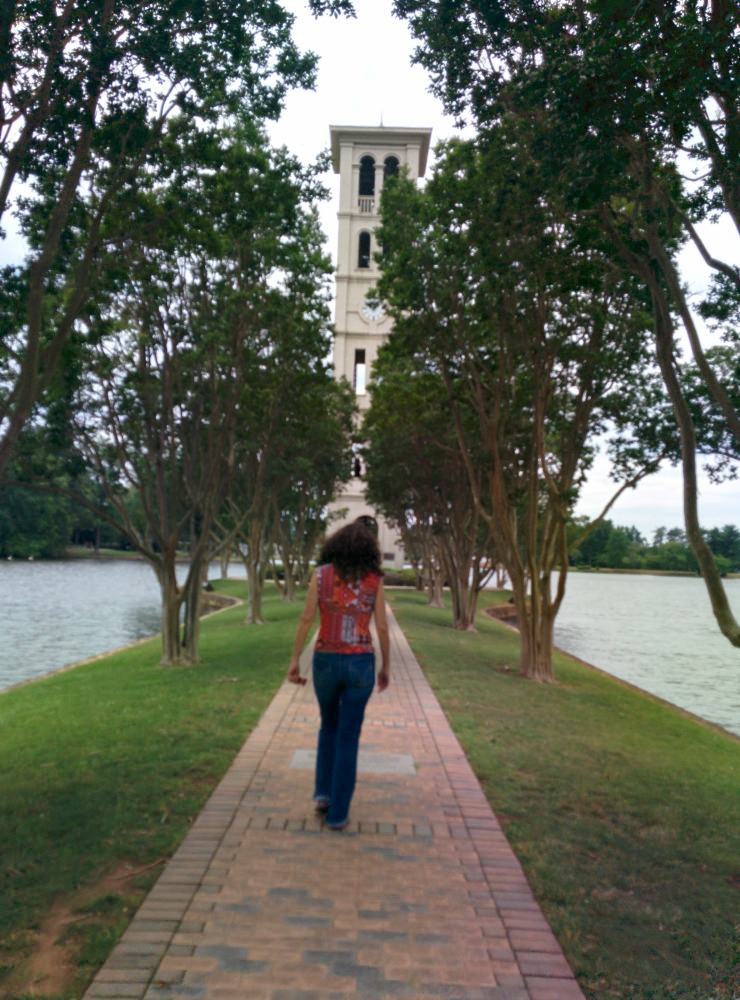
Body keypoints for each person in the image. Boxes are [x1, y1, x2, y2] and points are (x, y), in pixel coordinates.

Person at [287, 517, 390, 830]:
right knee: (349, 736)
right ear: (368, 551)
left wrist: (294, 661)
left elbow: (306, 619)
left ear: (335, 547)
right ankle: (338, 814)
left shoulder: (320, 576)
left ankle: (323, 795)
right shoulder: (375, 580)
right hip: (360, 663)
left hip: (326, 661)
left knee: (328, 726)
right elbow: (382, 626)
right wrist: (387, 665)